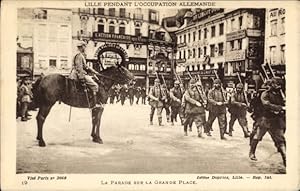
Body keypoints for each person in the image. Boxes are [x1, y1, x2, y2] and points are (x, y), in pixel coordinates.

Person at [249, 77, 286, 166]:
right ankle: (252, 152)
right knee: (258, 136)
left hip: (276, 120)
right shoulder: (265, 94)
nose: (278, 86)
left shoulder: (280, 94)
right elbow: (266, 104)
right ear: (272, 85)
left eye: (279, 85)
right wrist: (280, 108)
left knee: (280, 139)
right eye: (276, 84)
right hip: (265, 119)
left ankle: (285, 158)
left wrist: (284, 104)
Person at [69, 41, 100, 108]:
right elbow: (79, 67)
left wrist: (94, 71)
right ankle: (95, 104)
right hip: (77, 74)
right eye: (84, 46)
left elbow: (86, 66)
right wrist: (81, 77)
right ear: (82, 47)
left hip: (78, 73)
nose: (85, 48)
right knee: (95, 86)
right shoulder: (79, 55)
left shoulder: (78, 54)